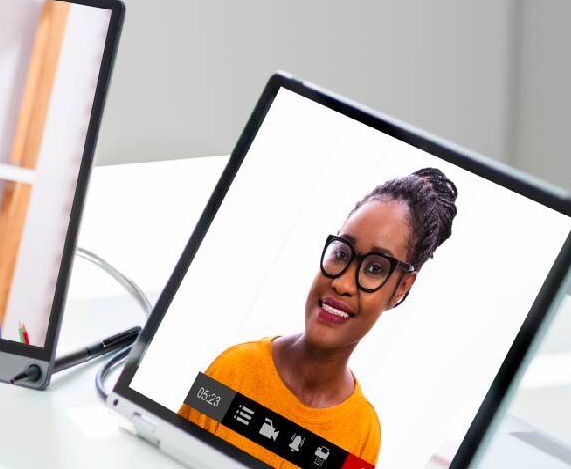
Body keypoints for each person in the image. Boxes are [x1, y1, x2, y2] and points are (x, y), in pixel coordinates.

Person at [179, 168, 461, 468]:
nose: (342, 283)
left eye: (375, 268)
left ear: (401, 288)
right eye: (342, 253)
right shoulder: (231, 369)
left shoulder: (363, 435)